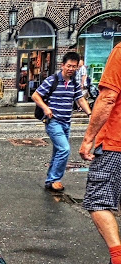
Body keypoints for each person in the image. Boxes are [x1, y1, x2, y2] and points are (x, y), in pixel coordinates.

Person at [79, 43, 121, 264]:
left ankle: (117, 262)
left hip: (115, 141)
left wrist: (89, 139)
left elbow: (107, 97)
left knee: (98, 200)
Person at [32, 52, 91, 193]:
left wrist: (90, 114)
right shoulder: (52, 80)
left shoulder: (74, 83)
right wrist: (46, 108)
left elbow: (80, 99)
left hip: (67, 122)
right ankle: (54, 179)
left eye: (74, 67)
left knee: (58, 151)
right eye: (69, 66)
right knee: (64, 149)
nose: (71, 69)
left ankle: (50, 180)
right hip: (53, 121)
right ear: (62, 65)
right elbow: (35, 95)